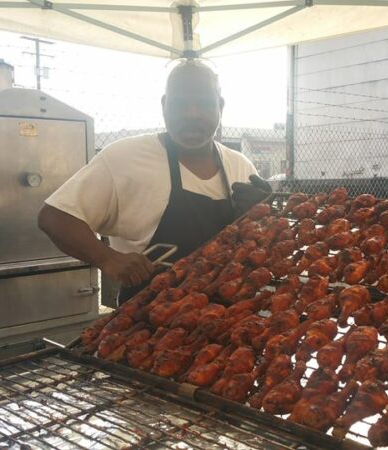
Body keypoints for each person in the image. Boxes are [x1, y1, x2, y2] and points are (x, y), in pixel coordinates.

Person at [38, 60, 271, 303]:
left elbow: (260, 249)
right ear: (164, 106)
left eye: (203, 103)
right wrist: (107, 258)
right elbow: (55, 217)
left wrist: (262, 216)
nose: (192, 114)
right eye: (180, 104)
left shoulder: (241, 166)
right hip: (149, 323)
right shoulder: (125, 158)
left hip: (227, 319)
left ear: (220, 107)